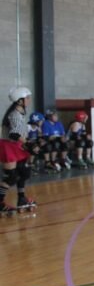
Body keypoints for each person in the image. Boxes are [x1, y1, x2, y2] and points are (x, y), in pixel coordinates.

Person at [0, 87, 37, 215]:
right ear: (20, 101)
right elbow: (14, 134)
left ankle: (21, 199)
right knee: (11, 177)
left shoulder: (19, 112)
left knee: (24, 172)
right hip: (9, 146)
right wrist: (28, 144)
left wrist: (28, 143)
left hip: (17, 145)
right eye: (27, 98)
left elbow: (19, 133)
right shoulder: (14, 114)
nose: (29, 100)